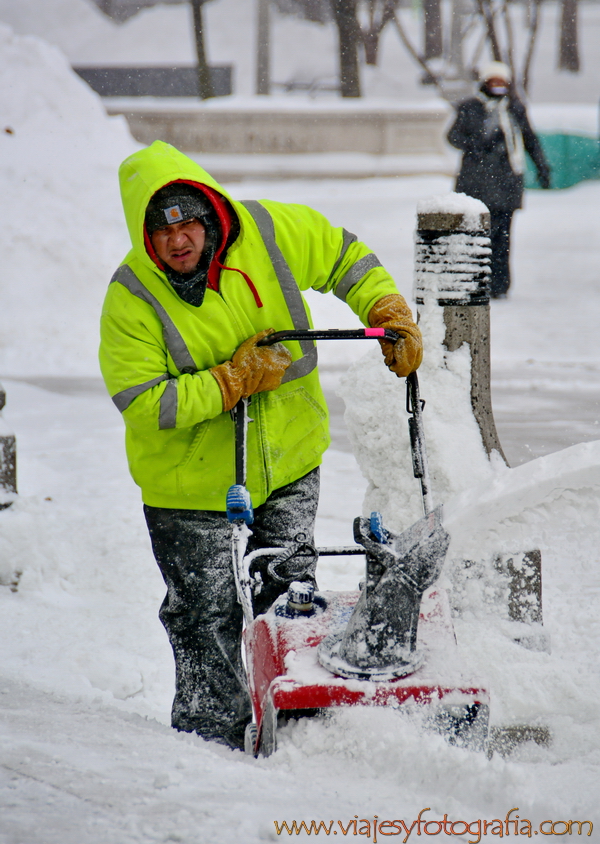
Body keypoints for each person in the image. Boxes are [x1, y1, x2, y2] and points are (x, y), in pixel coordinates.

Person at [99, 140, 422, 750]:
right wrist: (230, 382)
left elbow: (341, 254)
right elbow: (143, 400)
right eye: (160, 230)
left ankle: (300, 725)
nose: (177, 240)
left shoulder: (267, 230)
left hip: (288, 458)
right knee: (205, 613)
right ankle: (210, 739)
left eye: (187, 221)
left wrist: (384, 306)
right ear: (144, 234)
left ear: (209, 212)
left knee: (289, 595)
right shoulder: (132, 298)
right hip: (187, 486)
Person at [447, 61, 550, 299]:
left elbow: (529, 139)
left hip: (505, 183)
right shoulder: (470, 107)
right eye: (493, 82)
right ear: (484, 83)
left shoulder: (514, 108)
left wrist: (542, 167)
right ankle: (475, 283)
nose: (498, 86)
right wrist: (477, 145)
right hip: (476, 184)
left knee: (502, 236)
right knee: (474, 236)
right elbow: (453, 136)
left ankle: (499, 284)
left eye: (502, 82)